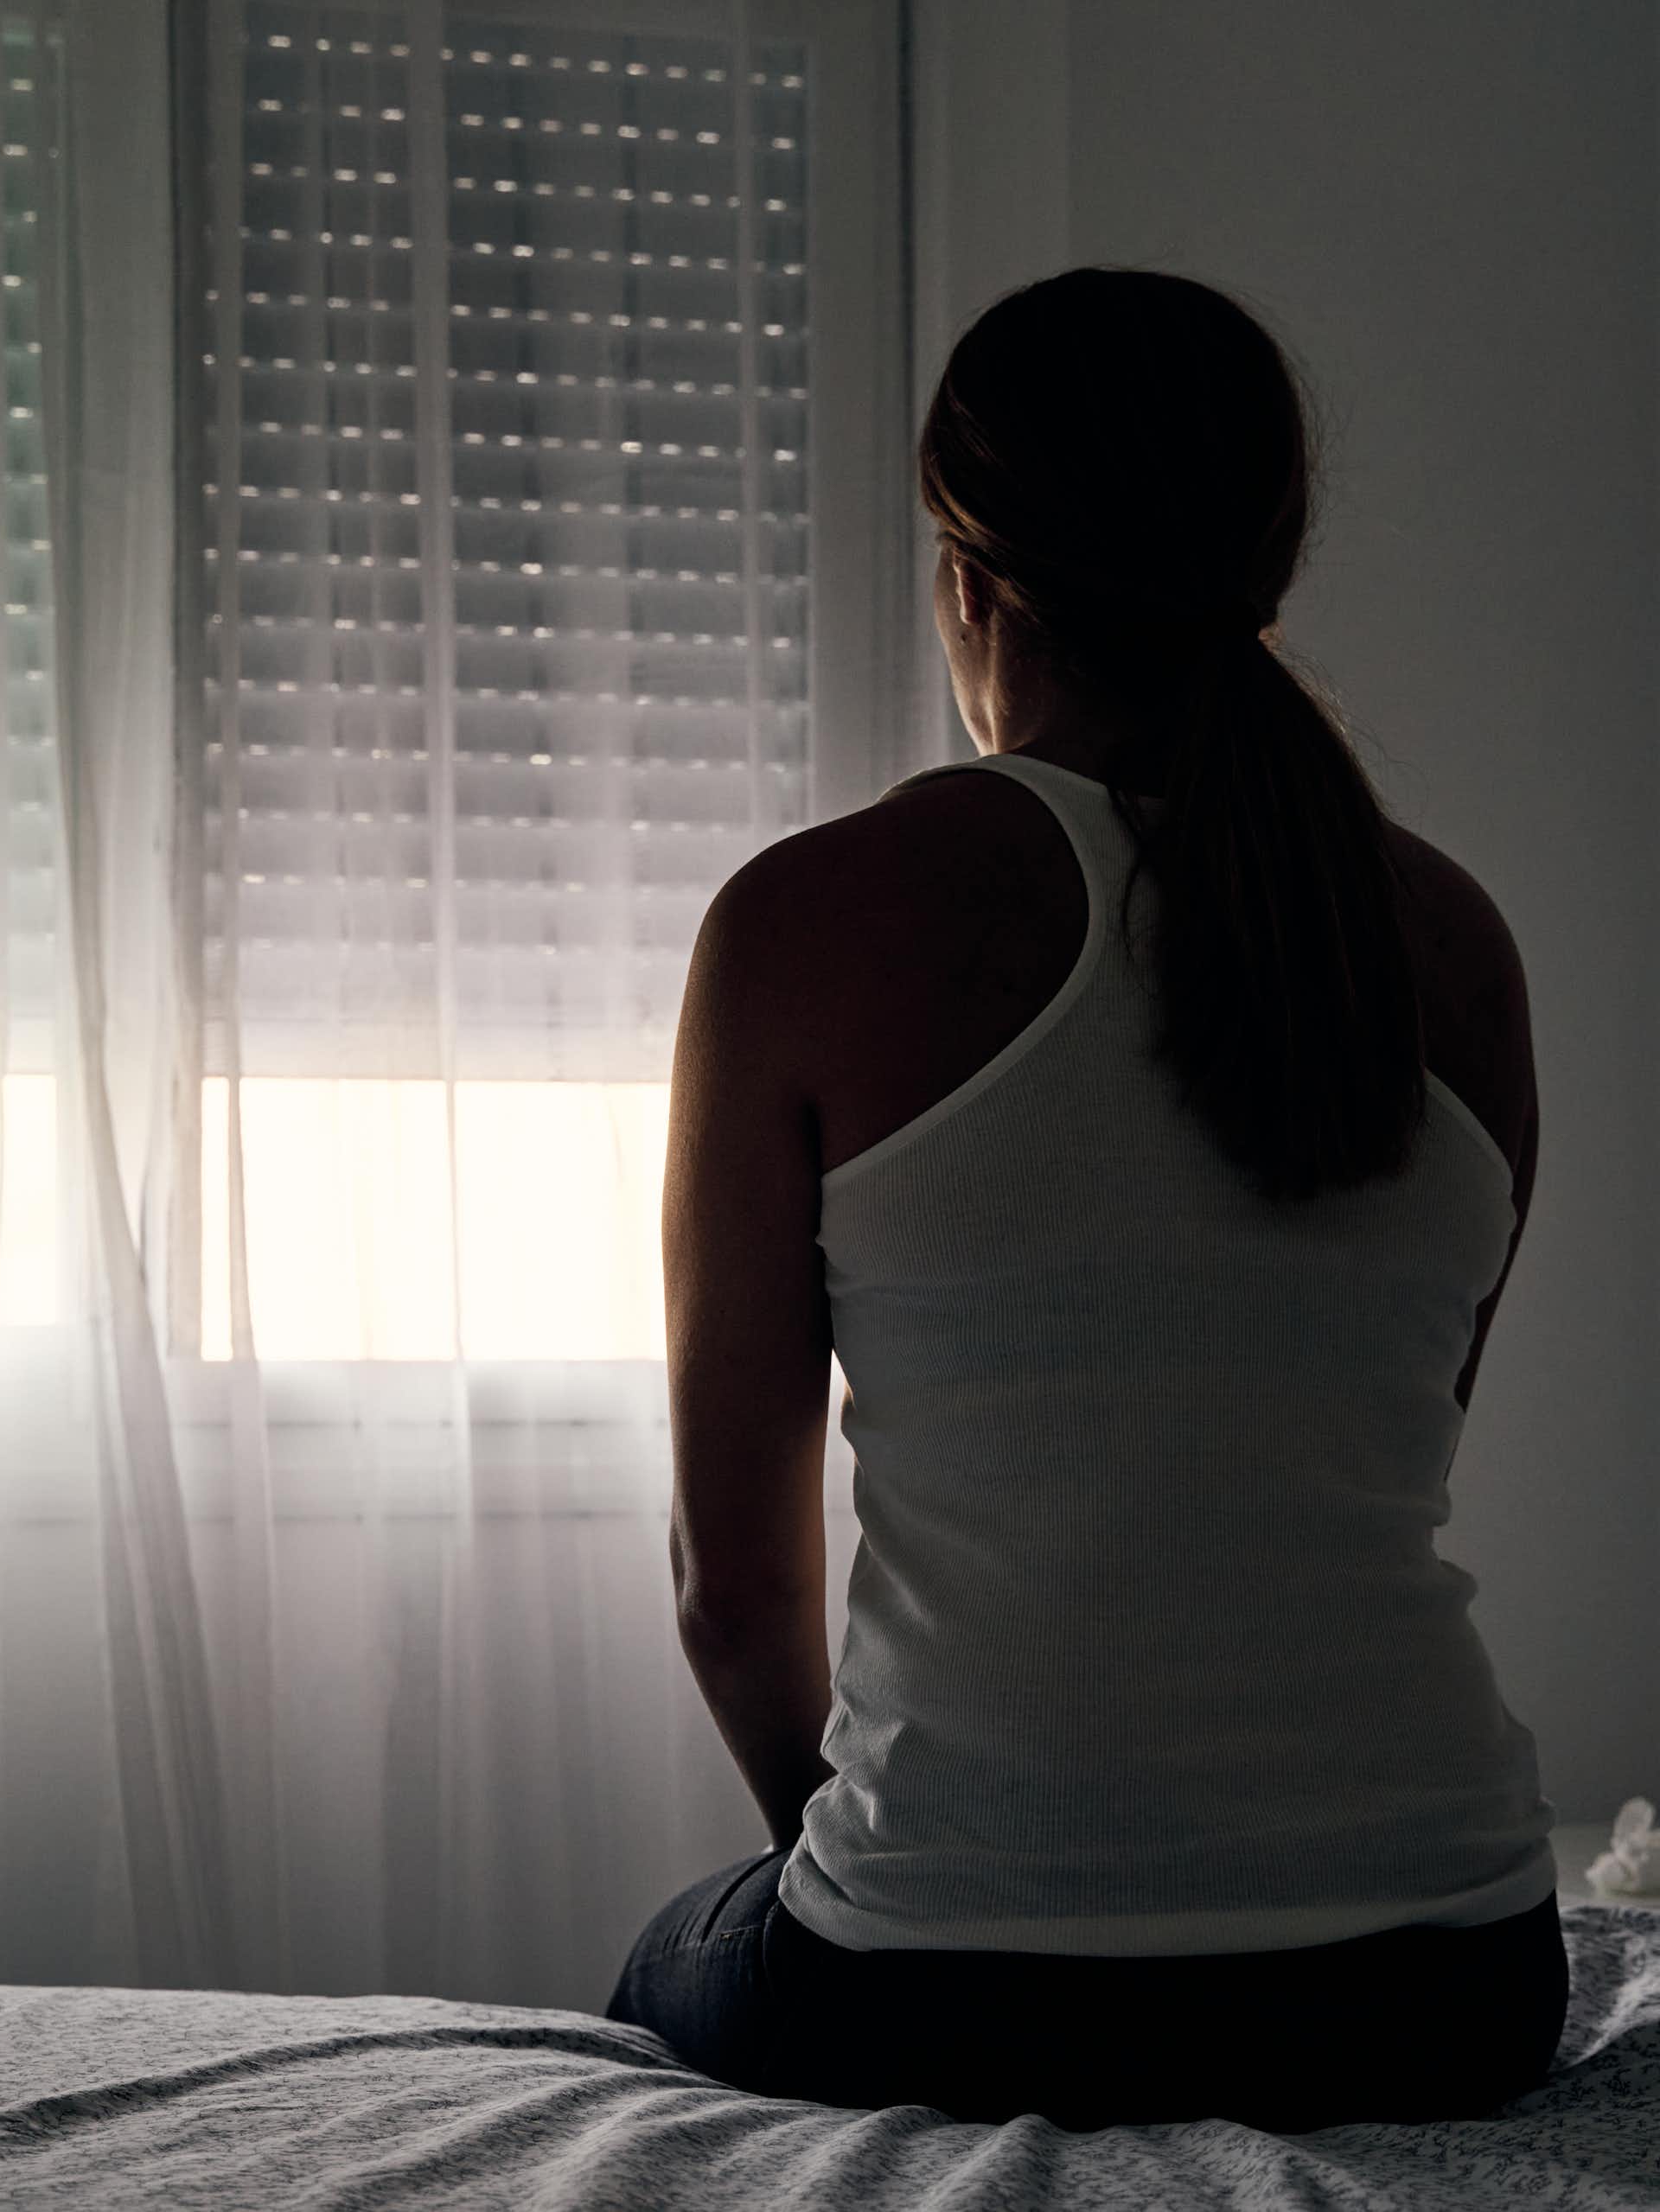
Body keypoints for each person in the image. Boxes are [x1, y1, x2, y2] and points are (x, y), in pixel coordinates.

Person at [608, 265, 1567, 2133]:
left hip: (952, 1997)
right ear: (1264, 564)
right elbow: (1337, 1470)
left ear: (968, 575)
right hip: (1448, 1978)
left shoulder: (806, 924)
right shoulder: (1451, 946)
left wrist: (893, 1867)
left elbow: (731, 1591)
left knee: (666, 1962)